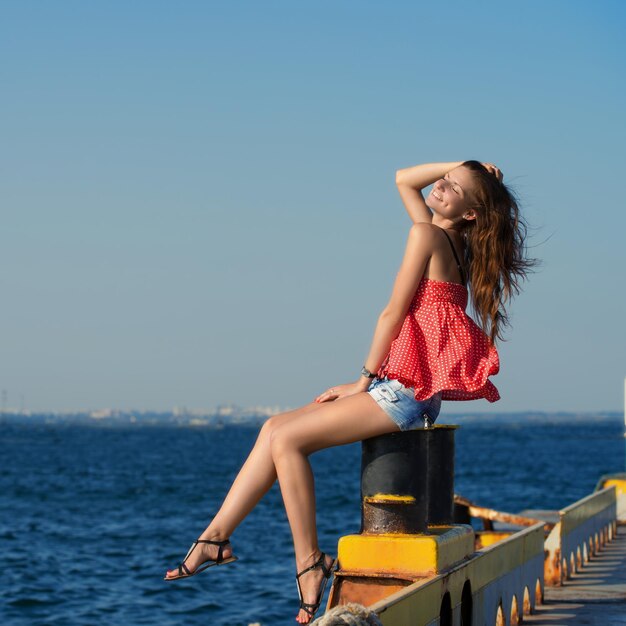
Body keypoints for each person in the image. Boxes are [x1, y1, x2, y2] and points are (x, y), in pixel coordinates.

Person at [164, 160, 534, 624]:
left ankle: (309, 564)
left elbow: (392, 314)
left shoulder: (428, 236)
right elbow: (403, 178)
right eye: (442, 180)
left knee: (288, 441)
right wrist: (462, 165)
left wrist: (361, 379)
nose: (438, 185)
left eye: (452, 187)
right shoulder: (451, 242)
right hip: (407, 387)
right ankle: (215, 538)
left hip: (401, 390)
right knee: (272, 427)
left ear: (471, 213)